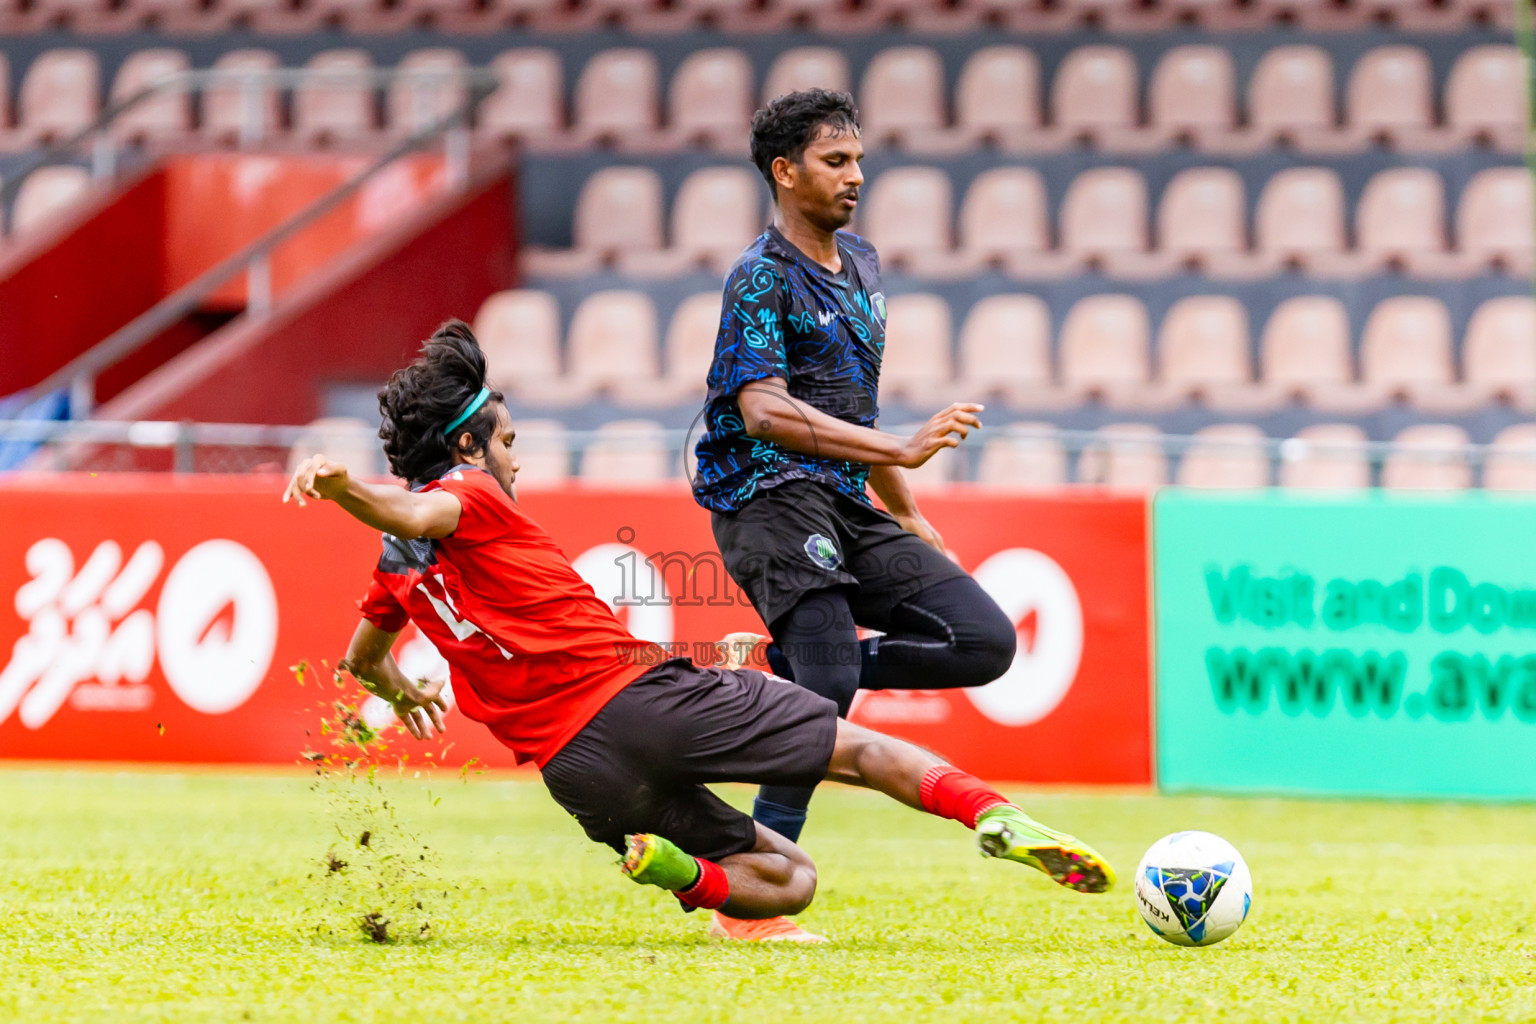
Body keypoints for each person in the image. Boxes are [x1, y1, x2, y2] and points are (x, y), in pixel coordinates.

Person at [284, 322, 1114, 936]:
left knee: (787, 881)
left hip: (576, 773)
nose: (517, 460)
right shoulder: (469, 494)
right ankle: (992, 814)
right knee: (861, 751)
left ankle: (684, 876)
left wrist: (393, 684)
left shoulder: (396, 571)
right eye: (508, 442)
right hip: (640, 699)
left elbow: (363, 658)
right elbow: (414, 504)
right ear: (469, 445)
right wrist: (342, 486)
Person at [691, 89, 1024, 937]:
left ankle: (785, 674)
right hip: (766, 495)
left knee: (985, 642)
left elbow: (853, 410)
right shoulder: (759, 276)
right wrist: (904, 455)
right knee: (831, 679)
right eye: (837, 161)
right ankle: (750, 898)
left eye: (859, 160)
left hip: (845, 498)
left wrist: (906, 511)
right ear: (784, 170)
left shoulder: (865, 263)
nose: (856, 176)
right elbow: (764, 411)